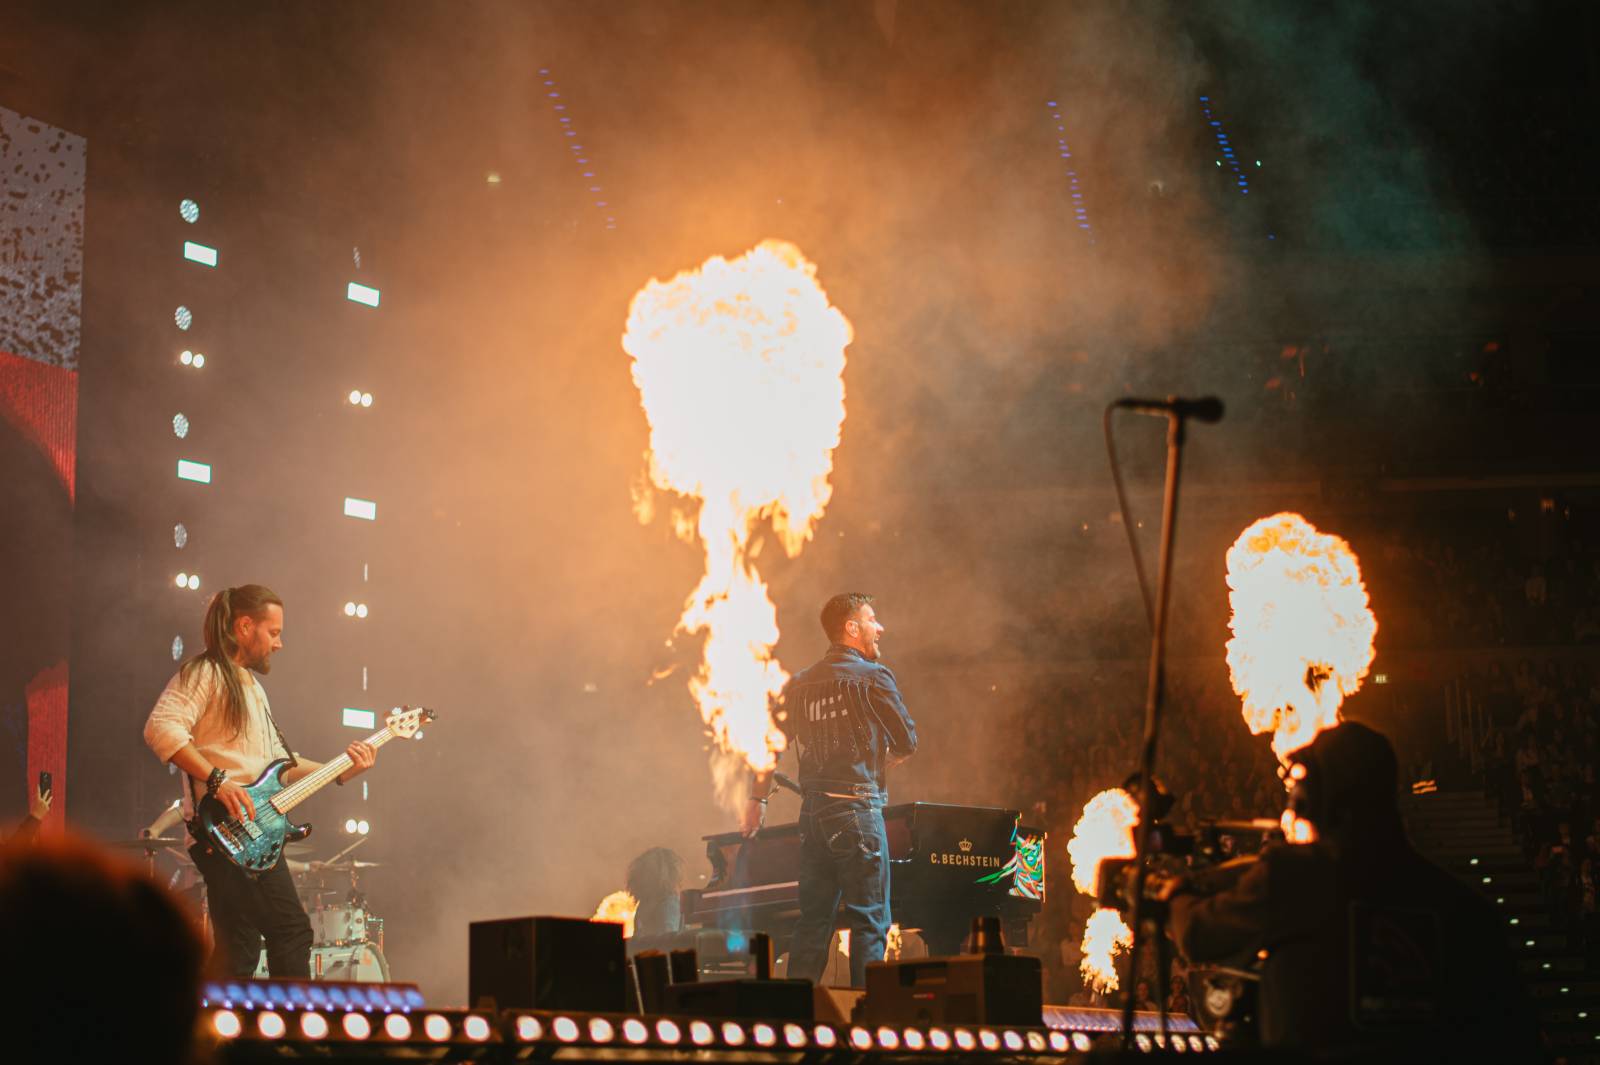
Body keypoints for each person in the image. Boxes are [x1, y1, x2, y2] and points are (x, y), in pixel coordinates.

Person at [1160, 720, 1533, 1056]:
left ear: (1317, 800)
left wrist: (1172, 894)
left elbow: (1198, 934)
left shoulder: (1294, 876)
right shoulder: (1466, 911)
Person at [144, 584, 377, 978]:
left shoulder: (253, 687)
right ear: (244, 626)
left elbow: (279, 765)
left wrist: (342, 770)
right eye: (274, 632)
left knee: (239, 951)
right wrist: (219, 781)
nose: (280, 644)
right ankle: (290, 1035)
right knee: (291, 932)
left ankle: (222, 1035)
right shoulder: (205, 673)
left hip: (252, 836)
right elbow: (161, 729)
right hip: (225, 833)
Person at [741, 592, 917, 987]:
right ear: (851, 628)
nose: (880, 627)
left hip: (814, 817)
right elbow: (907, 741)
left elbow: (767, 746)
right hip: (857, 811)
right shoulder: (874, 677)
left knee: (813, 922)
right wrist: (881, 763)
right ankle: (868, 1022)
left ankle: (793, 1018)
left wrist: (756, 798)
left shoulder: (799, 685)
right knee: (870, 919)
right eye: (872, 619)